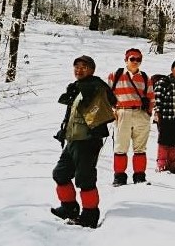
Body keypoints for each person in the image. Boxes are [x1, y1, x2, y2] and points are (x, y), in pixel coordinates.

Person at [51, 55, 116, 228]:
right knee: (60, 174)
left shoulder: (97, 86)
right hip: (73, 140)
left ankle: (90, 215)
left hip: (88, 140)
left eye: (84, 67)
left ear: (92, 70)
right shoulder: (76, 87)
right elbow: (70, 113)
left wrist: (95, 93)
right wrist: (63, 131)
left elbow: (110, 100)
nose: (79, 70)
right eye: (76, 66)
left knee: (85, 179)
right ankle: (69, 208)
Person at [108, 48, 155, 186]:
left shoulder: (146, 78)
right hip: (122, 112)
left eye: (138, 59)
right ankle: (119, 177)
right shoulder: (115, 75)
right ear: (126, 60)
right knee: (121, 146)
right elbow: (107, 96)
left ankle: (139, 176)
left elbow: (151, 97)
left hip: (141, 114)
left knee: (140, 147)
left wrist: (148, 114)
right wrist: (112, 111)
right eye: (132, 59)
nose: (135, 62)